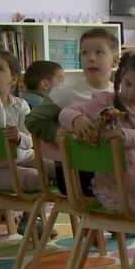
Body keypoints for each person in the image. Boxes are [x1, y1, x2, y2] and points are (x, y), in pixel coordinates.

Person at [59, 50, 135, 220]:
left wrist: (123, 134)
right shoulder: (105, 101)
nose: (131, 93)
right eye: (127, 84)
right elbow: (65, 113)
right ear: (122, 76)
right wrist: (77, 119)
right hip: (111, 189)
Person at [26, 27, 118, 195]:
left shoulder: (120, 95)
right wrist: (55, 133)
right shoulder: (66, 92)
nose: (91, 58)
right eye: (85, 53)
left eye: (99, 53)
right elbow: (32, 119)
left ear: (115, 61)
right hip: (75, 175)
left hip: (112, 171)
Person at [0, 50, 56, 237]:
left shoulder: (20, 105)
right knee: (37, 178)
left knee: (58, 168)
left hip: (24, 157)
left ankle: (32, 216)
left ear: (13, 79)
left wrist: (19, 137)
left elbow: (30, 141)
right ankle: (31, 217)